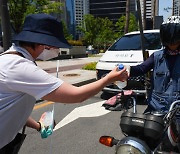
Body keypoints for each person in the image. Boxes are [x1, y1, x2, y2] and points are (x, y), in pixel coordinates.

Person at [0, 13, 128, 150]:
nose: (57, 50)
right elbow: (76, 95)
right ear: (41, 44)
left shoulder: (9, 59)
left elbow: (11, 108)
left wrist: (39, 126)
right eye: (54, 45)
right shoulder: (19, 67)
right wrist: (109, 78)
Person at [129, 16, 180, 151]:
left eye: (175, 40)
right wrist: (125, 70)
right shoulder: (157, 56)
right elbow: (141, 68)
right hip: (155, 110)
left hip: (177, 111)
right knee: (142, 142)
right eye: (170, 41)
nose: (172, 44)